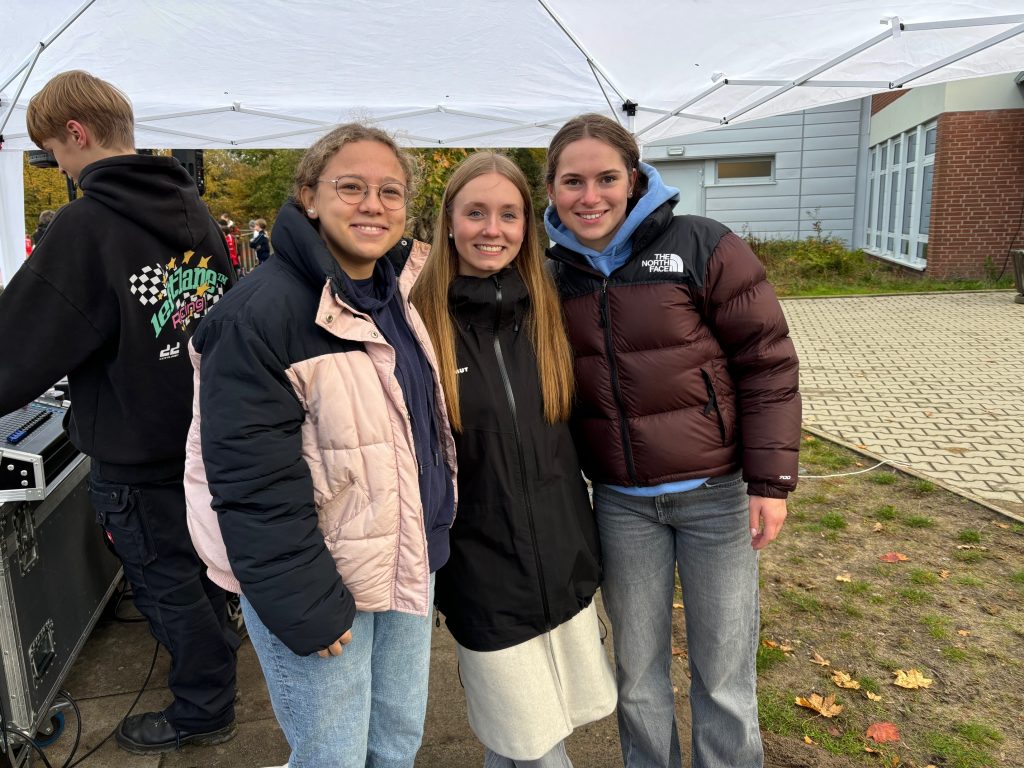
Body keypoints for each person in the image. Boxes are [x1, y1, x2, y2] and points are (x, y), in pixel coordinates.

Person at [184, 123, 456, 768]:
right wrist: (302, 602)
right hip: (321, 581)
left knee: (394, 744)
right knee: (331, 757)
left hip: (401, 560)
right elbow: (250, 478)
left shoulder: (392, 296)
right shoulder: (262, 313)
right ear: (309, 196)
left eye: (390, 191)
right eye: (352, 187)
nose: (373, 204)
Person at [543, 113, 801, 768]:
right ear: (551, 190)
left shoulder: (701, 245)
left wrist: (770, 483)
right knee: (637, 677)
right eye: (572, 181)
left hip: (716, 499)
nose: (590, 195)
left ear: (633, 179)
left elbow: (766, 363)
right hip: (623, 507)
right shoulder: (547, 277)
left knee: (724, 674)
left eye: (606, 177)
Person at [0, 70, 239, 754]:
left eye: (57, 152)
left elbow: (19, 351)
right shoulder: (191, 209)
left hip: (136, 452)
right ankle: (215, 678)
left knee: (168, 584)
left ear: (76, 133)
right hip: (200, 437)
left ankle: (203, 706)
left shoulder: (85, 224)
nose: (62, 167)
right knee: (200, 573)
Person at [411, 152, 615, 768]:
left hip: (563, 558)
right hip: (482, 570)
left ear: (529, 224)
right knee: (532, 742)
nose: (491, 229)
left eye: (508, 214)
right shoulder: (418, 323)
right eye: (476, 213)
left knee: (532, 737)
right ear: (449, 221)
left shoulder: (550, 310)